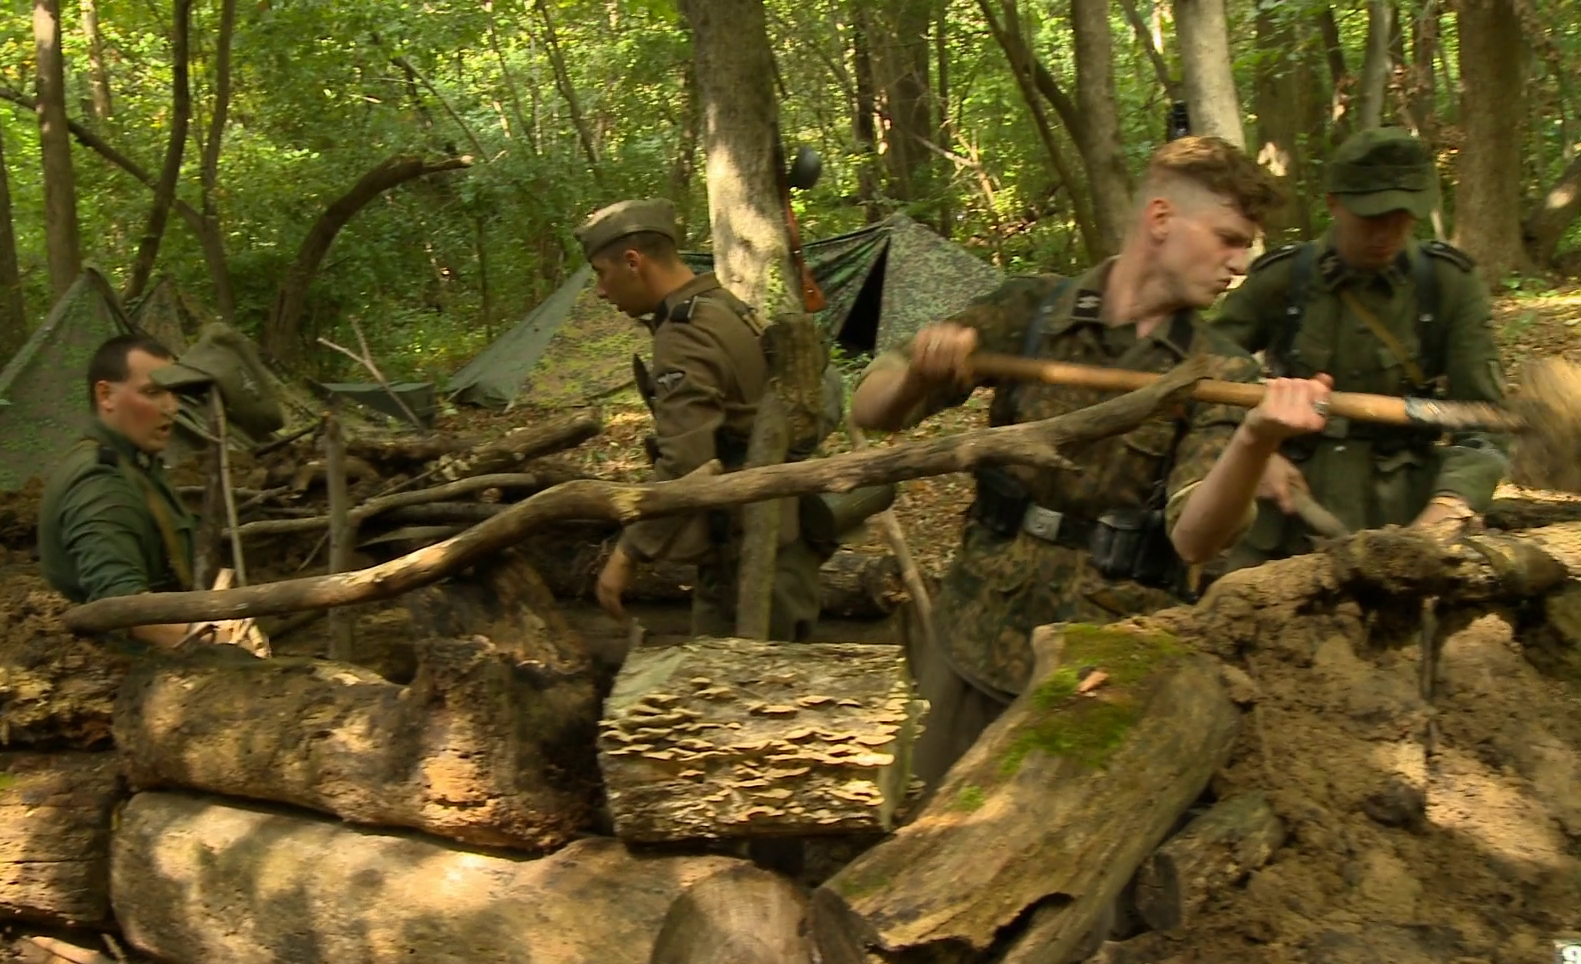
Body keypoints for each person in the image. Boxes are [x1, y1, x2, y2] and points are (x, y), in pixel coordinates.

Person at [850, 135, 1335, 777]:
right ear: (1162, 219)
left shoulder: (1219, 369)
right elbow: (869, 407)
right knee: (926, 828)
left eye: (1245, 245)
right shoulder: (1031, 309)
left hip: (1106, 669)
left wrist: (1255, 440)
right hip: (974, 633)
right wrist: (920, 372)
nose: (1241, 263)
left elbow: (1195, 537)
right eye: (1227, 238)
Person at [1211, 126, 1511, 569]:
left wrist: (1450, 506)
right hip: (1288, 518)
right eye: (1373, 216)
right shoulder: (1285, 279)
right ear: (1335, 203)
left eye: (1403, 217)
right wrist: (1256, 457)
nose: (1387, 233)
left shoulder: (1448, 285)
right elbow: (1203, 379)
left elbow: (1484, 422)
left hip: (1405, 515)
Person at [577, 198, 823, 641]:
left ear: (634, 262)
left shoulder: (685, 334)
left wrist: (628, 554)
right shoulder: (723, 305)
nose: (600, 290)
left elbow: (685, 461)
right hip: (779, 541)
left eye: (601, 273)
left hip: (748, 561)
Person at [39, 333, 236, 650]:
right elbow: (126, 611)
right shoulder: (100, 482)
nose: (171, 407)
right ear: (106, 395)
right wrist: (226, 644)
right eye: (153, 392)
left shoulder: (136, 465)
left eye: (172, 393)